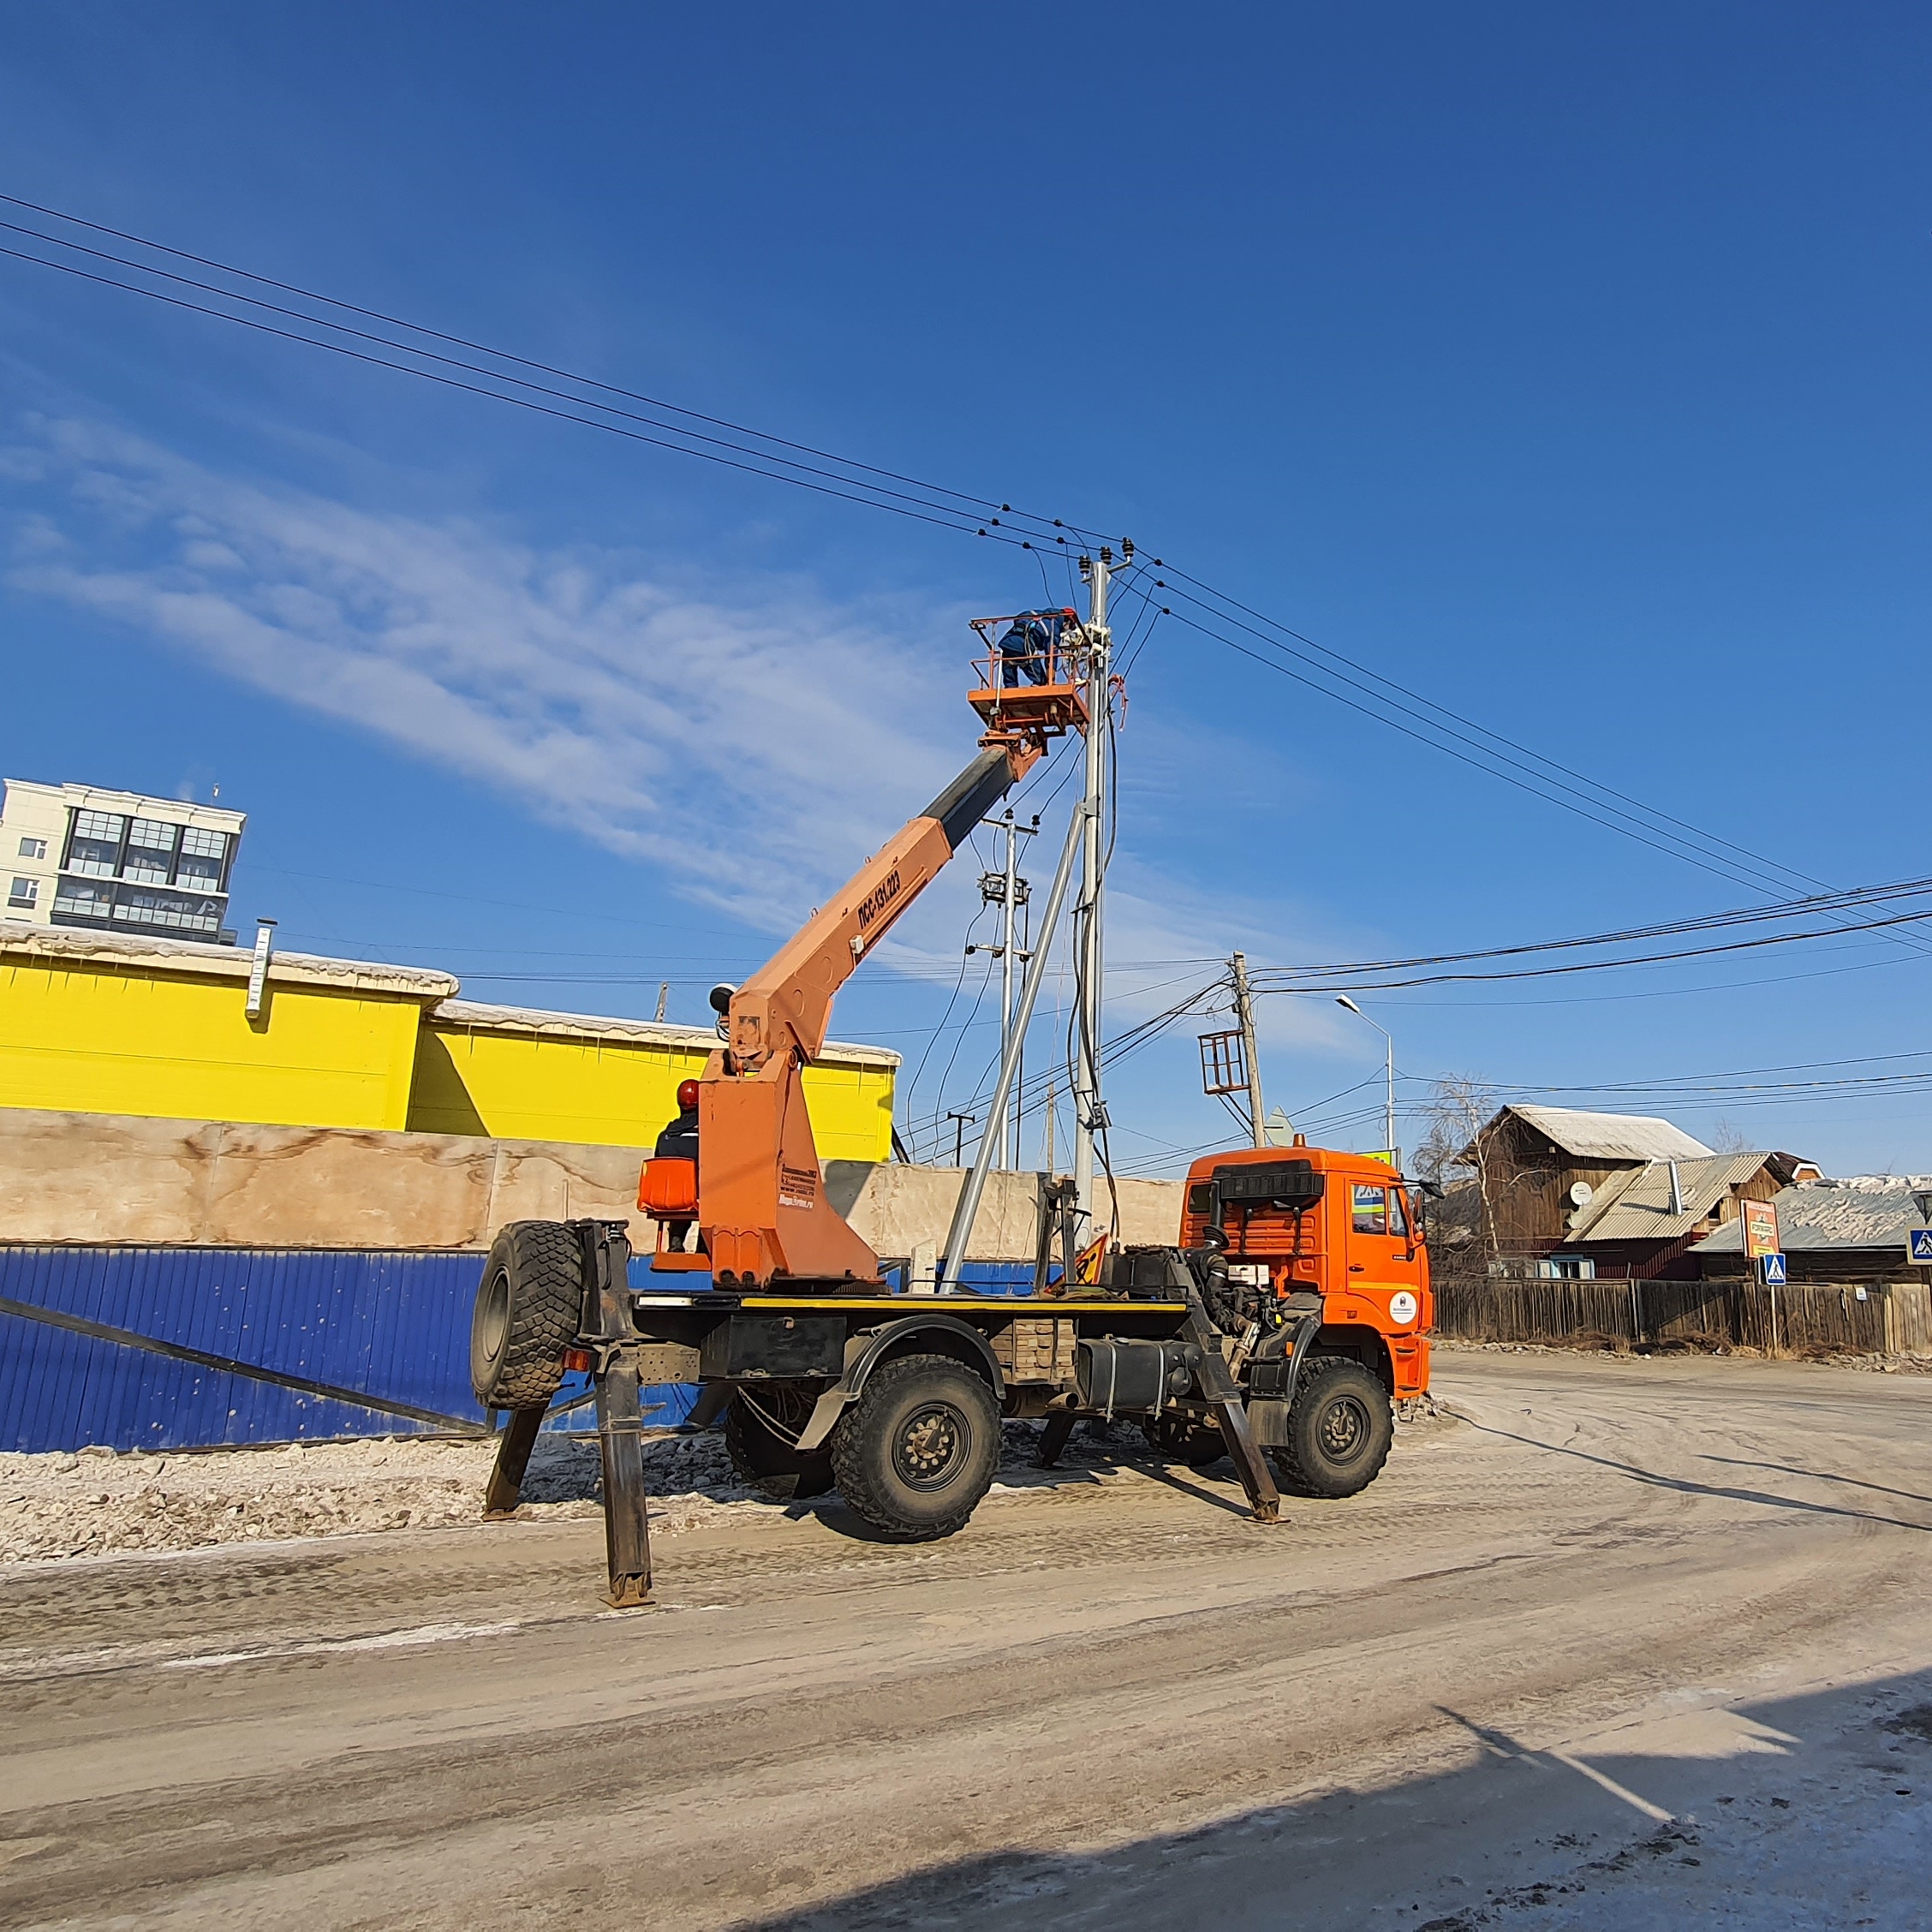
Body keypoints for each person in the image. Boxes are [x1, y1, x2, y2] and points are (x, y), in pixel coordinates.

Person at [656, 1078, 701, 1250]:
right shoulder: (707, 1136)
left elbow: (659, 1164)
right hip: (699, 1196)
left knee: (681, 1192)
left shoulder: (665, 1136)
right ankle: (704, 1247)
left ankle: (676, 1239)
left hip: (671, 1196)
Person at [996, 610, 1059, 688]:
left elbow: (1017, 619)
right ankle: (1037, 685)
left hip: (1007, 643)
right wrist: (1051, 677)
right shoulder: (1053, 626)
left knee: (1010, 682)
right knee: (1041, 681)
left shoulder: (1033, 615)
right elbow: (1051, 652)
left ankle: (1010, 688)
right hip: (1023, 646)